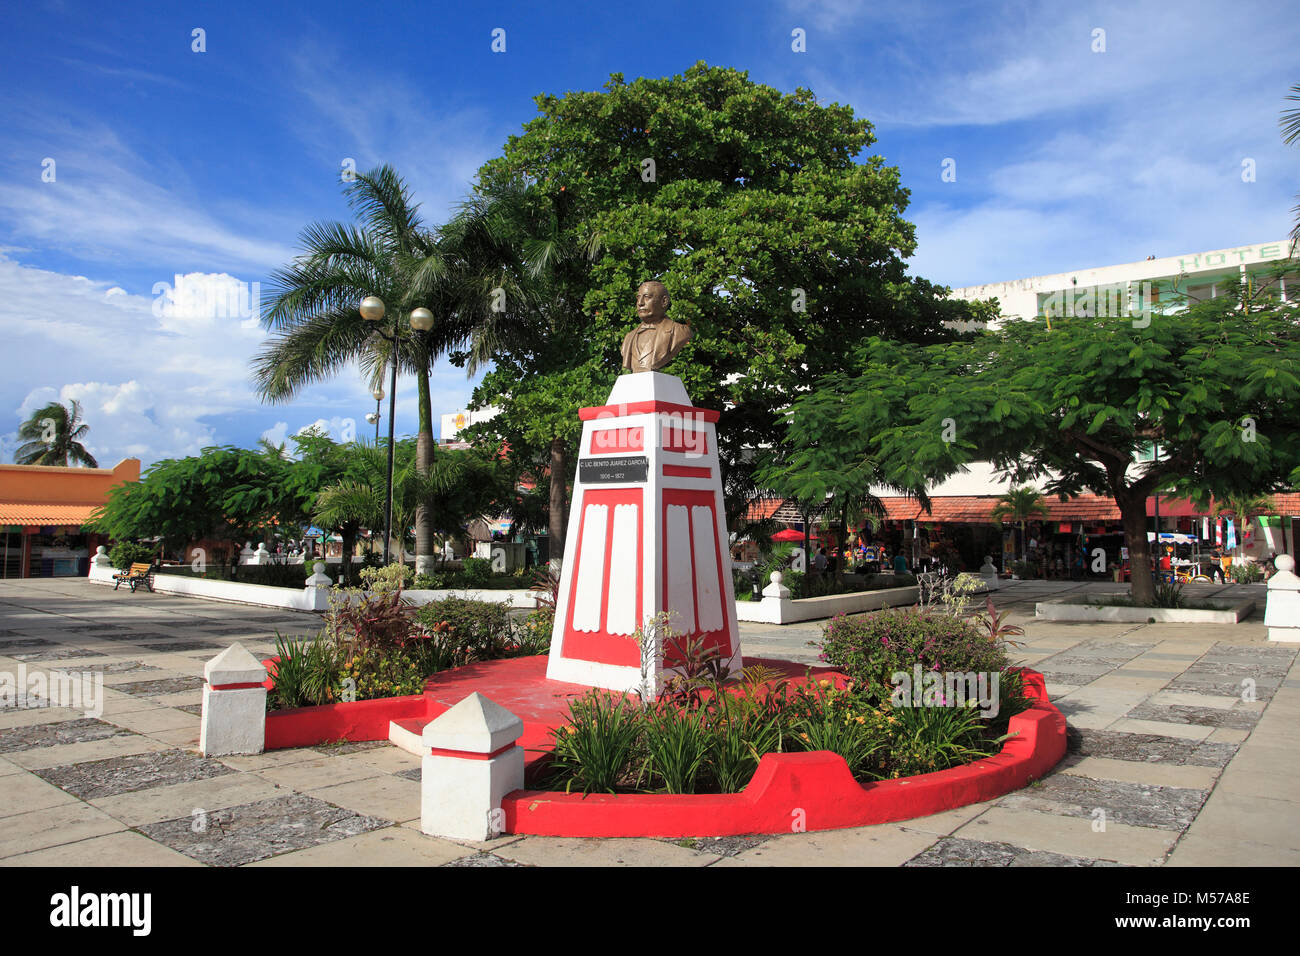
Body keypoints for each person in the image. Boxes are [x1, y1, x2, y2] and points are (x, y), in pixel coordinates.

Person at [620, 280, 692, 373]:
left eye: (647, 297)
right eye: (638, 298)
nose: (640, 303)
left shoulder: (680, 332)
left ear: (664, 301)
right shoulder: (629, 338)